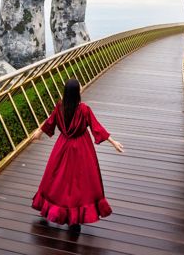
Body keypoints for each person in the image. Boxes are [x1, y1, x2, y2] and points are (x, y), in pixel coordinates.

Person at [30, 78, 124, 232]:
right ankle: (74, 220)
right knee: (79, 184)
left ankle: (51, 210)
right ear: (77, 92)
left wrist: (39, 132)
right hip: (81, 148)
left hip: (62, 146)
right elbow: (97, 128)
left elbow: (50, 122)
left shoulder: (60, 107)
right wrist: (113, 142)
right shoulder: (84, 109)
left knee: (57, 180)